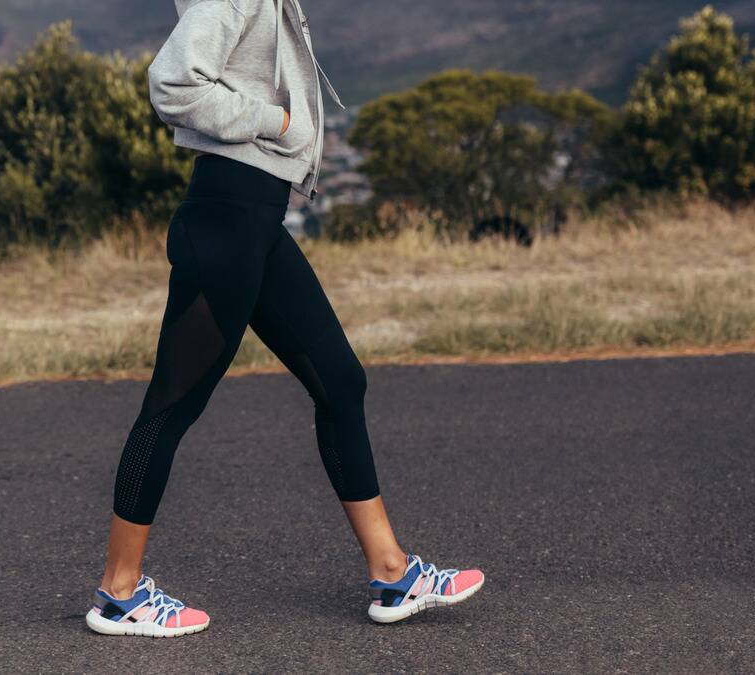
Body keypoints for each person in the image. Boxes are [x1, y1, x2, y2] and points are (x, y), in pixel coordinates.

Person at [85, 0, 483, 638]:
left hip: (255, 225)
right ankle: (118, 593)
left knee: (340, 382)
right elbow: (171, 82)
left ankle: (393, 571)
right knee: (171, 405)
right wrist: (280, 120)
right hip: (225, 225)